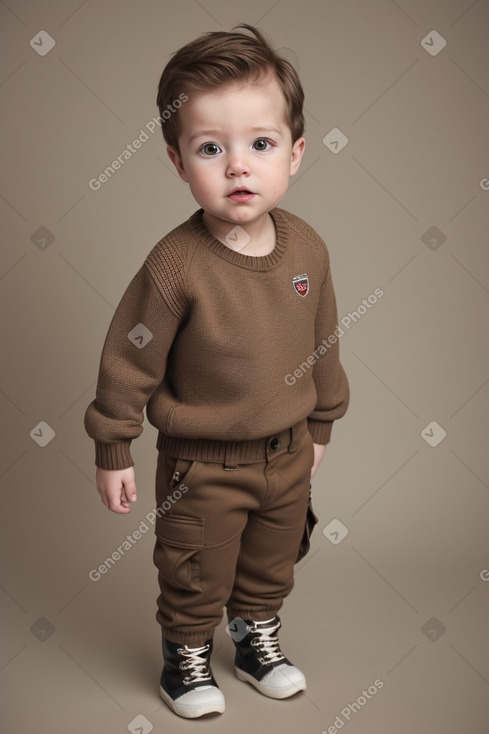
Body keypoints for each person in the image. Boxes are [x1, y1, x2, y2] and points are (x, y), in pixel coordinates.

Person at [85, 23, 349, 719]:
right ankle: (187, 654)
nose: (238, 166)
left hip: (286, 452)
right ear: (178, 162)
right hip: (202, 465)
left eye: (259, 144)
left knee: (272, 560)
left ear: (293, 154)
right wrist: (112, 444)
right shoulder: (176, 265)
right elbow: (128, 357)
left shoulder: (308, 249)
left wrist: (320, 423)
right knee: (195, 567)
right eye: (211, 148)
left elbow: (324, 341)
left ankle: (255, 635)